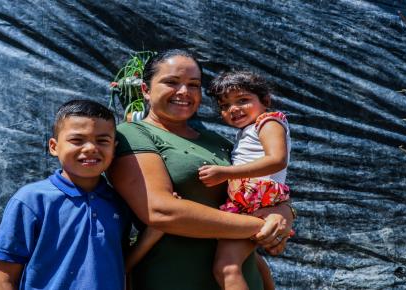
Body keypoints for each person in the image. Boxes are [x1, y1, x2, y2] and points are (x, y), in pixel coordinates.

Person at [109, 49, 295, 290]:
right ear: (145, 90)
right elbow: (161, 211)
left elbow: (257, 188)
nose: (184, 92)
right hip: (176, 278)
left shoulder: (217, 141)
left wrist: (284, 214)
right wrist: (263, 227)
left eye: (193, 84)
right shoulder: (132, 134)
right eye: (171, 82)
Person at [0, 99, 129, 290]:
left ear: (114, 148)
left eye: (102, 141)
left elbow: (123, 264)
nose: (90, 148)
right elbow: (5, 279)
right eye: (77, 140)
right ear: (54, 146)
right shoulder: (31, 200)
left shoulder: (119, 201)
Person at [199, 70, 293, 290]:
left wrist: (225, 173)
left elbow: (277, 160)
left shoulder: (269, 122)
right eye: (225, 106)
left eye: (243, 100)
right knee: (249, 258)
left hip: (254, 200)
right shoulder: (247, 130)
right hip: (248, 199)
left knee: (226, 267)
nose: (233, 109)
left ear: (266, 100)